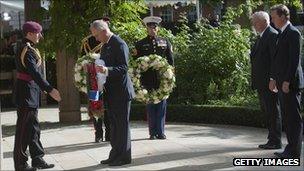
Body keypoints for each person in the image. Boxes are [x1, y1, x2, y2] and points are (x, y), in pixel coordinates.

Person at [13, 21, 61, 171]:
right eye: (38, 32)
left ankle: (37, 158)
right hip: (26, 93)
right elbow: (35, 73)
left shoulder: (29, 48)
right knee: (22, 131)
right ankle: (20, 164)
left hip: (30, 92)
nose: (40, 35)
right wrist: (50, 89)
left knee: (33, 128)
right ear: (29, 34)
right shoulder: (26, 50)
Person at [91, 19, 135, 166]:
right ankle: (115, 154)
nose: (96, 38)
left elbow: (124, 68)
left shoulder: (119, 43)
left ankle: (124, 157)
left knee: (122, 126)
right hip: (111, 92)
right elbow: (103, 64)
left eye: (96, 35)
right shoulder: (105, 45)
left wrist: (106, 70)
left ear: (103, 31)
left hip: (121, 92)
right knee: (114, 126)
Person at [269, 4, 304, 158]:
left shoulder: (293, 33)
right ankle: (290, 149)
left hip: (290, 84)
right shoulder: (281, 33)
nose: (272, 20)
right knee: (288, 118)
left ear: (283, 16)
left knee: (293, 119)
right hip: (282, 82)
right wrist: (274, 78)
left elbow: (294, 60)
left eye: (274, 17)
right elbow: (278, 61)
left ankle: (294, 152)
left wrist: (287, 81)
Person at [134, 16, 174, 140]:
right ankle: (152, 133)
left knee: (162, 105)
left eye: (155, 27)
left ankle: (161, 132)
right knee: (151, 105)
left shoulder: (165, 41)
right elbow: (136, 62)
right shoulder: (140, 44)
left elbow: (170, 60)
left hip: (163, 79)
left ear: (158, 28)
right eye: (150, 27)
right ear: (147, 28)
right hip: (148, 78)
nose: (153, 29)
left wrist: (171, 75)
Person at [250, 11, 282, 149]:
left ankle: (276, 141)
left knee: (273, 111)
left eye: (255, 22)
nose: (253, 25)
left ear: (264, 21)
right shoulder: (261, 37)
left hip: (269, 82)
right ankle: (271, 138)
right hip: (261, 82)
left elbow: (276, 61)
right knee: (267, 111)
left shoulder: (272, 35)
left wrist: (272, 79)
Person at [80, 17, 111, 143]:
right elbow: (81, 60)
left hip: (107, 79)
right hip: (93, 81)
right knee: (95, 105)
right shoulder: (87, 41)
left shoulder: (110, 40)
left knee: (108, 106)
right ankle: (98, 134)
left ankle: (109, 133)